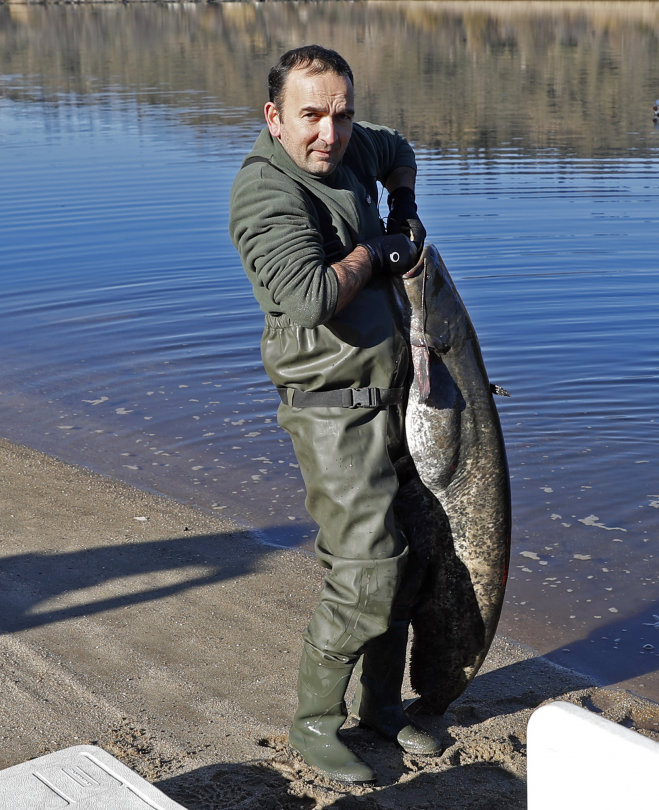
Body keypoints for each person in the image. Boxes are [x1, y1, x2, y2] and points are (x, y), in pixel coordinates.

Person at [227, 45, 440, 784]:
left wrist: (405, 205)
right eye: (311, 115)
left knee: (413, 553)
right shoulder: (264, 195)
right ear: (275, 117)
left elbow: (400, 149)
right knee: (368, 567)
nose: (330, 132)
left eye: (341, 114)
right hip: (331, 411)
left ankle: (382, 707)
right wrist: (383, 252)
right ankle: (316, 721)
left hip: (393, 396)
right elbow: (312, 296)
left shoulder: (348, 149)